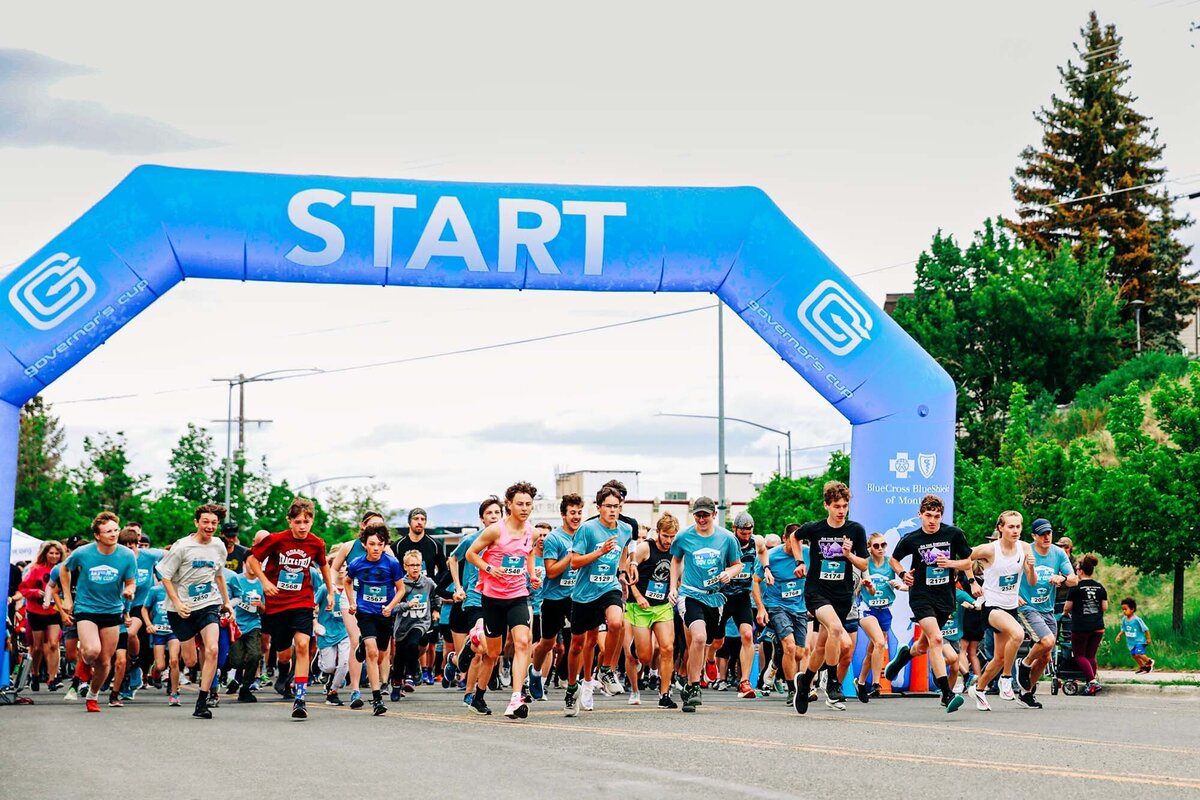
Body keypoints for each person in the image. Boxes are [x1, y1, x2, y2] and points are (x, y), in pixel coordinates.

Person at [245, 497, 335, 720]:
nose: (302, 526)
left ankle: (300, 699)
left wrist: (330, 591)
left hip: (303, 599)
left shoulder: (316, 543)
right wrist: (265, 582)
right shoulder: (276, 540)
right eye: (298, 521)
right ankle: (283, 673)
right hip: (277, 604)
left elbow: (323, 564)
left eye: (306, 521)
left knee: (303, 645)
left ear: (312, 520)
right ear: (290, 521)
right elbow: (253, 558)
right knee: (283, 653)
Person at [883, 494, 972, 713]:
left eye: (937, 516)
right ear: (920, 515)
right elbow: (893, 559)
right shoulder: (912, 538)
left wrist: (950, 563)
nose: (932, 521)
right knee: (937, 638)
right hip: (920, 595)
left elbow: (968, 560)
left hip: (944, 597)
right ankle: (947, 693)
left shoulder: (953, 534)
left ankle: (904, 655)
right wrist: (903, 574)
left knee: (923, 645)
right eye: (928, 516)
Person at [945, 511, 1034, 712]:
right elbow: (965, 555)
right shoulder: (990, 549)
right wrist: (972, 581)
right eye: (1011, 526)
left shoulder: (1025, 547)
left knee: (999, 658)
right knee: (1018, 634)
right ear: (1000, 528)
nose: (1015, 530)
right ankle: (1007, 679)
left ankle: (979, 688)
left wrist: (1031, 569)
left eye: (1018, 526)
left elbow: (1031, 582)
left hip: (1010, 607)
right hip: (992, 607)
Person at [466, 481, 540, 720]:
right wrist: (489, 567)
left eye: (529, 504)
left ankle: (516, 697)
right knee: (492, 653)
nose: (525, 508)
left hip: (518, 595)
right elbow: (471, 554)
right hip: (493, 598)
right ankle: (478, 695)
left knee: (522, 641)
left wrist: (532, 574)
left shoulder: (533, 531)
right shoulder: (496, 530)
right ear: (509, 504)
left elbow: (528, 554)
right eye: (520, 504)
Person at [156, 503, 234, 719]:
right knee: (190, 661)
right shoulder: (182, 547)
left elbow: (219, 575)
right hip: (182, 608)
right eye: (205, 522)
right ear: (196, 522)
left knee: (212, 650)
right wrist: (177, 603)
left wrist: (226, 601)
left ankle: (203, 701)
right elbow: (165, 576)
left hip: (209, 603)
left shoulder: (219, 546)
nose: (210, 527)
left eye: (214, 523)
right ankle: (191, 663)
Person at [796, 481, 868, 711]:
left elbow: (864, 563)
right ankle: (833, 682)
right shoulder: (816, 529)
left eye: (845, 506)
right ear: (827, 505)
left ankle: (805, 680)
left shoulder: (855, 530)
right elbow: (793, 537)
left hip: (842, 594)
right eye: (836, 506)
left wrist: (848, 555)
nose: (841, 511)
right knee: (837, 630)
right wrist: (799, 561)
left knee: (821, 646)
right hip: (817, 591)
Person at [669, 496, 743, 713]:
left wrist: (729, 572)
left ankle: (688, 680)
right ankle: (693, 687)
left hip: (714, 597)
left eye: (705, 515)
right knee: (698, 637)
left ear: (714, 515)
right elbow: (675, 559)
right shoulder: (684, 536)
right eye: (698, 515)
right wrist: (673, 587)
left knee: (707, 642)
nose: (701, 519)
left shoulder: (727, 538)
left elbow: (737, 564)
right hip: (690, 594)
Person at [563, 485, 633, 716]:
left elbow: (623, 550)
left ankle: (605, 670)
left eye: (616, 506)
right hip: (584, 593)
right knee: (578, 645)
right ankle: (572, 687)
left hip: (608, 587)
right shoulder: (588, 529)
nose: (613, 510)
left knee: (616, 623)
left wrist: (622, 572)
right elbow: (574, 562)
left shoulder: (625, 529)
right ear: (599, 507)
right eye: (608, 506)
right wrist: (600, 552)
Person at [59, 512, 137, 713]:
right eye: (108, 531)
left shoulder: (127, 555)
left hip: (112, 610)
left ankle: (92, 695)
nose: (113, 534)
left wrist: (129, 590)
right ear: (97, 535)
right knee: (92, 650)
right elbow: (64, 570)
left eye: (115, 530)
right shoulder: (83, 553)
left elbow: (131, 581)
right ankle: (84, 666)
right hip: (86, 608)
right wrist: (68, 597)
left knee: (104, 661)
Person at [344, 519, 405, 714]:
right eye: (372, 544)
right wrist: (352, 602)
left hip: (384, 613)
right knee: (371, 652)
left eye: (380, 544)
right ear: (364, 545)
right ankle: (377, 698)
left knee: (380, 655)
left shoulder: (392, 563)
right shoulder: (357, 563)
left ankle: (364, 643)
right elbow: (347, 581)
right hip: (365, 611)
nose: (376, 548)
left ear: (385, 544)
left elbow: (401, 589)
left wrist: (391, 606)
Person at [449, 496, 503, 710]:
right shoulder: (472, 540)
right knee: (481, 644)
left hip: (498, 599)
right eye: (489, 513)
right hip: (475, 598)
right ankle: (472, 694)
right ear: (482, 518)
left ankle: (468, 690)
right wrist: (458, 587)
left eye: (497, 513)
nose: (493, 517)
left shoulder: (505, 540)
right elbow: (452, 559)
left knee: (487, 651)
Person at [1016, 518, 1077, 706]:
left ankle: (1026, 693)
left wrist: (1062, 577)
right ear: (1034, 536)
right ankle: (1024, 664)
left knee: (1046, 655)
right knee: (1047, 641)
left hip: (1047, 608)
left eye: (1049, 532)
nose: (1047, 536)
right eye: (1042, 534)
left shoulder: (1058, 554)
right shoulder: (1026, 551)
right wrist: (1012, 594)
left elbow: (1074, 579)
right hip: (1026, 606)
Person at [329, 511, 387, 709]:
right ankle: (355, 690)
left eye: (380, 528)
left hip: (377, 601)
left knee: (375, 649)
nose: (376, 532)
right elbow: (333, 567)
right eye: (373, 527)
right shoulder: (349, 547)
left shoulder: (386, 550)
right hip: (352, 598)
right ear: (364, 527)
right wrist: (332, 589)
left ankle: (377, 687)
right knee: (356, 641)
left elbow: (397, 576)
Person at [531, 494, 582, 701]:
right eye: (572, 513)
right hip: (553, 597)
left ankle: (572, 683)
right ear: (563, 515)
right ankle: (535, 673)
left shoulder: (584, 535)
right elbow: (551, 572)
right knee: (547, 643)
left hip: (577, 596)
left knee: (578, 642)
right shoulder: (554, 538)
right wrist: (571, 556)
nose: (576, 517)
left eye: (579, 512)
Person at [753, 525, 808, 710]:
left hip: (799, 608)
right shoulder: (773, 556)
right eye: (792, 540)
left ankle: (776, 661)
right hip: (777, 606)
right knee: (790, 647)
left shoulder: (807, 553)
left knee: (799, 653)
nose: (796, 545)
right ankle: (792, 690)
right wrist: (761, 608)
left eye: (799, 541)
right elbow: (755, 580)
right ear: (785, 538)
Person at [628, 512, 680, 708]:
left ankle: (664, 694)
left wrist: (675, 590)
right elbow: (626, 573)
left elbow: (677, 574)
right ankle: (635, 647)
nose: (668, 541)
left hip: (662, 606)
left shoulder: (676, 550)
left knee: (667, 648)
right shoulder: (644, 548)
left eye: (672, 536)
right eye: (665, 536)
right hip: (640, 605)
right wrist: (638, 596)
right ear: (658, 532)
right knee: (645, 657)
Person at [392, 507, 447, 685]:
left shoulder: (434, 545)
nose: (419, 522)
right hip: (404, 595)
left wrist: (434, 586)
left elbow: (444, 570)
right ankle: (406, 674)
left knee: (424, 641)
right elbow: (390, 568)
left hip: (425, 596)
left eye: (423, 519)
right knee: (403, 642)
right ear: (409, 522)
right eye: (416, 518)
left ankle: (418, 668)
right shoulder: (398, 545)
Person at [718, 511, 767, 699]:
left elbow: (763, 552)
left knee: (747, 635)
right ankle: (709, 663)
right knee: (716, 641)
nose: (746, 535)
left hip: (742, 596)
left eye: (749, 531)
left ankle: (744, 682)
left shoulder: (757, 541)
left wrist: (766, 568)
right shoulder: (727, 543)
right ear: (734, 529)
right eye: (742, 532)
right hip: (722, 596)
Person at [854, 532, 905, 702]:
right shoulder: (865, 563)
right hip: (867, 609)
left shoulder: (890, 562)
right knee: (880, 642)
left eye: (883, 545)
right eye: (876, 546)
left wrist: (901, 585)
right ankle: (876, 684)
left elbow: (906, 584)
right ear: (869, 548)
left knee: (872, 650)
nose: (881, 548)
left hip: (884, 610)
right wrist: (868, 586)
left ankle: (860, 682)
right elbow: (871, 590)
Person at [17, 540, 66, 692]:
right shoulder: (35, 569)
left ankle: (52, 677)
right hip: (36, 611)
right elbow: (23, 589)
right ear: (45, 554)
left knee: (53, 643)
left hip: (54, 611)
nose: (54, 556)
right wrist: (35, 593)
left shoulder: (63, 569)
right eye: (51, 553)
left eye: (57, 553)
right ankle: (35, 674)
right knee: (37, 647)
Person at [393, 550, 441, 696]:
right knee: (400, 656)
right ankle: (396, 684)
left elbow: (436, 595)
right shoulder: (400, 584)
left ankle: (410, 676)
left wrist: (436, 610)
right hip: (403, 624)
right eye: (411, 565)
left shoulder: (428, 582)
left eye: (418, 565)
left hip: (421, 621)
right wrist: (407, 605)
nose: (415, 568)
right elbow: (393, 606)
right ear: (405, 566)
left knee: (413, 643)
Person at [1063, 554, 1108, 695]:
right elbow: (1105, 607)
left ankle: (1092, 682)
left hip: (1081, 626)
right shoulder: (1100, 587)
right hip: (1098, 626)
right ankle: (1091, 683)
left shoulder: (1076, 588)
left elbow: (1067, 607)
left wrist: (1065, 614)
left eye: (1077, 570)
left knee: (1079, 655)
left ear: (1081, 571)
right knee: (1091, 656)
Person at [225, 564, 265, 702]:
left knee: (255, 656)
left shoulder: (262, 582)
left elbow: (264, 609)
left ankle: (245, 688)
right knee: (237, 661)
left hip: (254, 625)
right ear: (244, 564)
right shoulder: (235, 580)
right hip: (236, 624)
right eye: (252, 562)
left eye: (258, 563)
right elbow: (226, 600)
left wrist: (260, 605)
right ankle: (225, 670)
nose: (255, 566)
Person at [314, 570, 351, 706]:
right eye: (339, 566)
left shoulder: (351, 588)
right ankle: (320, 665)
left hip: (345, 631)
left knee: (345, 663)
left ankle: (333, 691)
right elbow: (312, 606)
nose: (342, 569)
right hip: (327, 631)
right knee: (329, 667)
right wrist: (315, 623)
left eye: (344, 566)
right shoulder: (325, 589)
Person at [142, 582, 182, 705]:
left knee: (174, 661)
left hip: (174, 631)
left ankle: (174, 694)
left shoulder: (181, 589)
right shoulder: (155, 590)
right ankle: (155, 671)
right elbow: (144, 609)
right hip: (158, 631)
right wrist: (149, 624)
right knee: (160, 665)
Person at [1115, 597, 1153, 673]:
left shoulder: (1137, 620)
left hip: (1139, 641)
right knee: (1134, 655)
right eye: (1123, 609)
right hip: (1131, 643)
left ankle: (1149, 661)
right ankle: (1144, 667)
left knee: (1138, 653)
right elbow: (1124, 629)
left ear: (1132, 609)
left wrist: (1148, 639)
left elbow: (1146, 629)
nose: (1124, 611)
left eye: (1125, 609)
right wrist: (1119, 635)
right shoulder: (1124, 619)